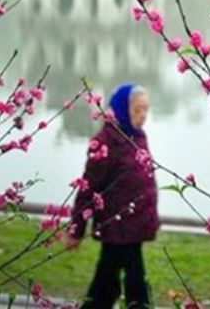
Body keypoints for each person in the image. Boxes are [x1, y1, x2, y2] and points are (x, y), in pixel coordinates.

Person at [66, 83, 160, 309]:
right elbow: (89, 187)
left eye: (146, 109)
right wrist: (76, 229)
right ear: (121, 109)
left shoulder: (138, 137)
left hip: (135, 225)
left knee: (110, 279)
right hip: (116, 226)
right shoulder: (106, 141)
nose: (143, 115)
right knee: (130, 279)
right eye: (137, 109)